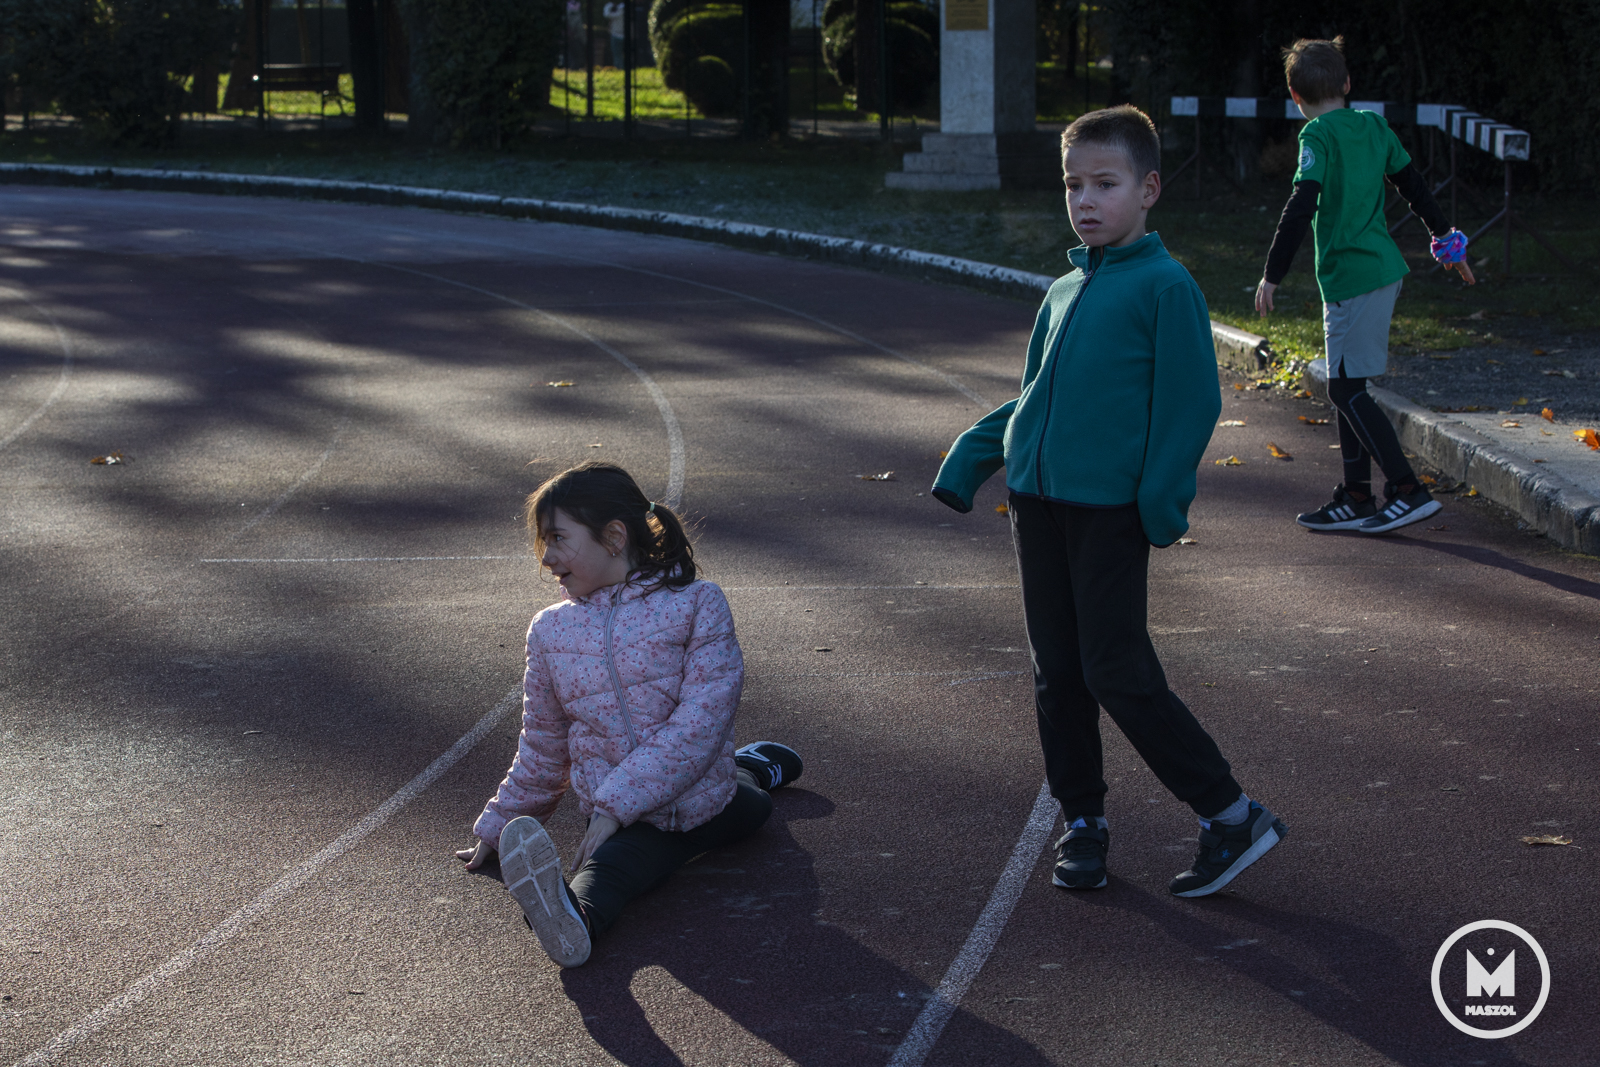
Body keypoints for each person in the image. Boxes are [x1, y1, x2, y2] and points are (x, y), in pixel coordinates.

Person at [933, 105, 1286, 899]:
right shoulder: (1062, 289)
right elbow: (1034, 395)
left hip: (1108, 511)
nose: (1085, 200)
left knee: (1116, 669)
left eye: (1105, 183)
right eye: (1072, 185)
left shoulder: (1167, 287)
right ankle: (1082, 820)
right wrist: (973, 456)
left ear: (1148, 188)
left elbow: (1190, 404)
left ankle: (1231, 813)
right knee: (1056, 673)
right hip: (1036, 504)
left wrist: (1159, 500)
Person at [456, 461, 803, 967]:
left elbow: (701, 723)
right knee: (619, 864)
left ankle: (753, 769)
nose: (546, 557)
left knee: (751, 808)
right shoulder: (550, 631)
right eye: (542, 541)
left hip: (695, 795)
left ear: (614, 536)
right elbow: (543, 743)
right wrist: (502, 823)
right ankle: (575, 916)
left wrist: (614, 804)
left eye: (557, 538)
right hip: (635, 819)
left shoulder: (696, 604)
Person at [1257, 36, 1476, 535]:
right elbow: (1416, 189)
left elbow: (1300, 206)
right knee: (1345, 383)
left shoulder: (1316, 137)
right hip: (1373, 275)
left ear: (1295, 96)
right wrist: (1449, 243)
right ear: (1348, 84)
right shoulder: (1374, 126)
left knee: (1347, 389)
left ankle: (1407, 489)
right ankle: (1356, 495)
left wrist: (1272, 274)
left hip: (1355, 278)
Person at [602, 1, 627, 68]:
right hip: (616, 35)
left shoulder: (621, 9)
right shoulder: (620, 9)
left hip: (618, 35)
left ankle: (620, 68)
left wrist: (609, 5)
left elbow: (606, 14)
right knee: (618, 55)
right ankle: (619, 68)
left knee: (618, 55)